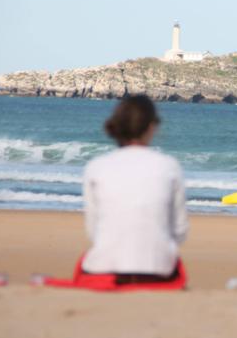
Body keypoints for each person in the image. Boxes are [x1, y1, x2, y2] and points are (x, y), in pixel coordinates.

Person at [81, 95, 189, 285]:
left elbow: (94, 232)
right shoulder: (169, 166)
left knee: (85, 263)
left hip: (105, 268)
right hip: (158, 269)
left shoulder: (96, 167)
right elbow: (179, 231)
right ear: (151, 127)